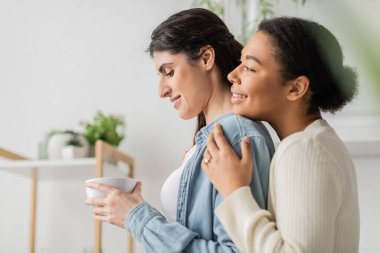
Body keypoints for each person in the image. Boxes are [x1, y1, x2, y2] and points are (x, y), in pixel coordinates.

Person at [85, 8, 275, 252]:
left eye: (169, 72)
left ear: (207, 58)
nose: (161, 90)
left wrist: (137, 217)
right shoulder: (213, 139)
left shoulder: (235, 137)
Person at [202, 16, 360, 253]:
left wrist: (234, 190)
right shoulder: (318, 141)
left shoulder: (305, 149)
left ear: (296, 88)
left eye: (250, 67)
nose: (233, 75)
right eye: (240, 62)